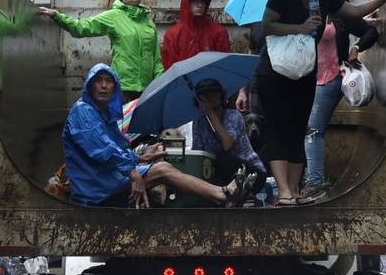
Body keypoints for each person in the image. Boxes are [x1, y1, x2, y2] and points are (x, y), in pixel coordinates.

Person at [256, 0, 386, 206]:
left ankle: (296, 191)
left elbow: (353, 12)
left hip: (306, 70)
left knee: (300, 129)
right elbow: (267, 26)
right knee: (279, 129)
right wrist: (300, 27)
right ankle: (284, 191)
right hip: (275, 71)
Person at [63, 64, 257, 208]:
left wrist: (142, 155)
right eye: (98, 81)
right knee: (163, 169)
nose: (104, 86)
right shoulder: (84, 111)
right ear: (89, 86)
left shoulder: (104, 114)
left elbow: (118, 150)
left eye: (109, 82)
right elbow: (104, 151)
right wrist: (134, 174)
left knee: (163, 165)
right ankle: (222, 195)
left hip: (107, 177)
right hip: (96, 186)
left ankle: (220, 195)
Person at [40, 0, 162, 103]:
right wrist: (57, 16)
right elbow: (82, 27)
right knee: (121, 123)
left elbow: (156, 58)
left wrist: (160, 82)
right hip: (123, 88)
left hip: (148, 89)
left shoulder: (148, 23)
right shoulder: (114, 16)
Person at [302, 0, 379, 198]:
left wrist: (356, 48)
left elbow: (371, 31)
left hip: (330, 80)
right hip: (302, 82)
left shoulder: (337, 14)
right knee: (301, 131)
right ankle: (304, 181)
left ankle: (314, 183)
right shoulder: (298, 15)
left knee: (313, 131)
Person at [191, 79, 266, 199]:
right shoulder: (199, 122)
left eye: (215, 93)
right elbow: (199, 153)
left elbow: (228, 144)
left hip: (250, 173)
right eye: (206, 95)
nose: (212, 97)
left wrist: (211, 113)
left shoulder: (233, 116)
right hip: (219, 173)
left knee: (223, 157)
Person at [161, 0, 231, 71]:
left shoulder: (219, 31)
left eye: (203, 1)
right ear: (186, 3)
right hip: (183, 82)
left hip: (211, 82)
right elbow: (170, 68)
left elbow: (224, 64)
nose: (200, 5)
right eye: (195, 1)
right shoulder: (172, 35)